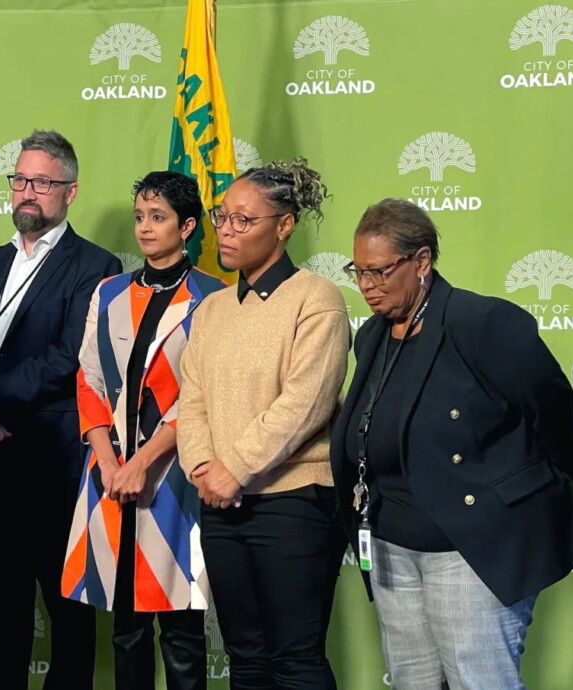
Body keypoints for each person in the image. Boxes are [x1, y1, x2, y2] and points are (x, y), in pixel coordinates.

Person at [330, 198, 573, 689]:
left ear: (422, 262)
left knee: (479, 680)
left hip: (469, 547)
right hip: (389, 545)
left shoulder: (481, 321)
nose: (366, 285)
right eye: (358, 272)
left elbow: (554, 412)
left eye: (380, 271)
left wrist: (526, 495)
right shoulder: (372, 337)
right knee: (412, 681)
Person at [0, 129, 121, 689]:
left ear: (70, 192)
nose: (27, 192)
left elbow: (70, 354)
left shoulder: (94, 265)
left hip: (50, 463)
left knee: (67, 614)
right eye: (20, 180)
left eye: (42, 183)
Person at [177, 158, 349, 690]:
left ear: (284, 225)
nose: (226, 231)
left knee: (295, 659)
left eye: (243, 220)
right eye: (222, 216)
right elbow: (192, 400)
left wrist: (236, 468)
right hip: (221, 504)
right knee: (246, 658)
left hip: (293, 501)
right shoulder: (212, 309)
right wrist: (204, 468)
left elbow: (306, 403)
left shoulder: (316, 298)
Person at [62, 171, 225, 690]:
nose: (145, 228)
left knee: (182, 630)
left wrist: (140, 463)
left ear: (188, 226)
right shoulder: (109, 291)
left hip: (176, 477)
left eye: (158, 217)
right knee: (125, 628)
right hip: (108, 476)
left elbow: (200, 396)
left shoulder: (214, 297)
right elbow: (88, 379)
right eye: (139, 217)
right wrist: (109, 461)